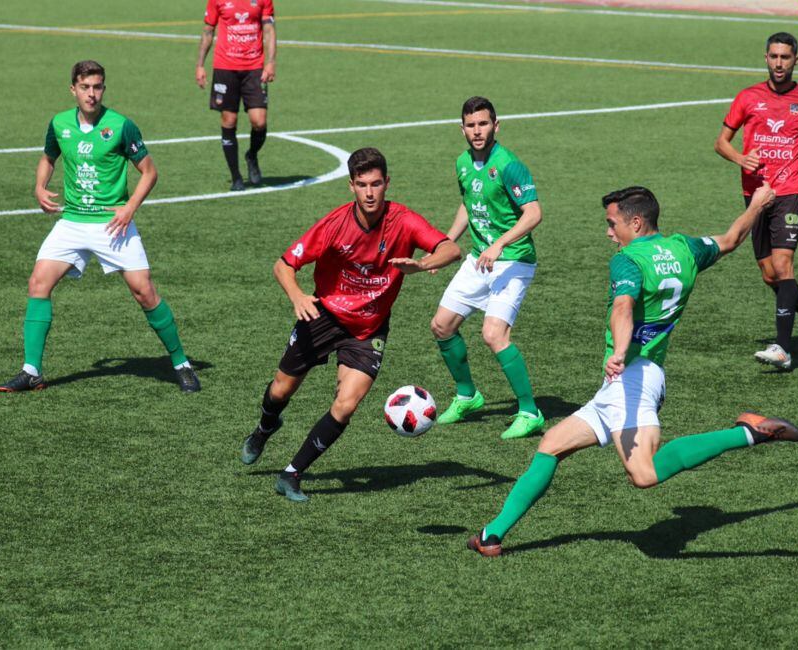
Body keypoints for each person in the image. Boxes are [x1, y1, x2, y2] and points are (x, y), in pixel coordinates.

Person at [467, 184, 798, 558]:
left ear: (637, 222)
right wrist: (757, 205)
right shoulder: (685, 248)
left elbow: (623, 308)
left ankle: (748, 433)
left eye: (613, 224)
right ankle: (492, 535)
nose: (609, 232)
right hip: (633, 379)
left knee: (644, 474)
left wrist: (622, 350)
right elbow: (730, 239)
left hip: (632, 378)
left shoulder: (629, 259)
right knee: (551, 446)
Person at [239, 148, 462, 502]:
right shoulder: (334, 225)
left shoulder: (403, 220)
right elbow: (283, 264)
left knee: (346, 404)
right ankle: (265, 427)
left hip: (368, 329)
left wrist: (422, 264)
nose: (370, 193)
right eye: (362, 185)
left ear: (387, 183)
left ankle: (291, 474)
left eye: (376, 184)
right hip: (322, 315)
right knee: (281, 390)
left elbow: (451, 249)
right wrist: (298, 297)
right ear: (351, 186)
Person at [0, 60, 200, 394]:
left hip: (112, 222)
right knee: (38, 283)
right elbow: (49, 157)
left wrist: (129, 209)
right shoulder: (59, 123)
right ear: (73, 89)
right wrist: (39, 187)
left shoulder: (121, 126)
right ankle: (31, 371)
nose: (92, 94)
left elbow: (149, 172)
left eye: (98, 87)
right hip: (73, 222)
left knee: (144, 291)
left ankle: (181, 363)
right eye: (85, 87)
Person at [715, 32, 798, 371]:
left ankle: (783, 347)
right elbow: (721, 142)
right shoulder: (748, 97)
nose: (779, 63)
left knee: (783, 266)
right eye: (773, 57)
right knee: (770, 276)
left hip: (790, 192)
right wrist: (739, 158)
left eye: (785, 57)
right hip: (755, 196)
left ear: (797, 60)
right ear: (765, 58)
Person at [429, 97, 545, 440]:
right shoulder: (463, 163)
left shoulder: (509, 165)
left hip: (513, 260)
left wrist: (500, 244)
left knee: (493, 334)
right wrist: (446, 242)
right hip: (479, 258)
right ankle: (468, 395)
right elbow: (469, 204)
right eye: (471, 125)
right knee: (441, 326)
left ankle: (530, 411)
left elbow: (534, 213)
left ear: (496, 125)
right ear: (462, 128)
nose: (477, 131)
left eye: (483, 124)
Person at [195, 0, 277, 191]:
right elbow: (208, 31)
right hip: (225, 67)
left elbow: (269, 30)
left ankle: (252, 155)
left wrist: (271, 62)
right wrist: (200, 65)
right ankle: (236, 177)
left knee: (259, 121)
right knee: (229, 120)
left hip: (255, 68)